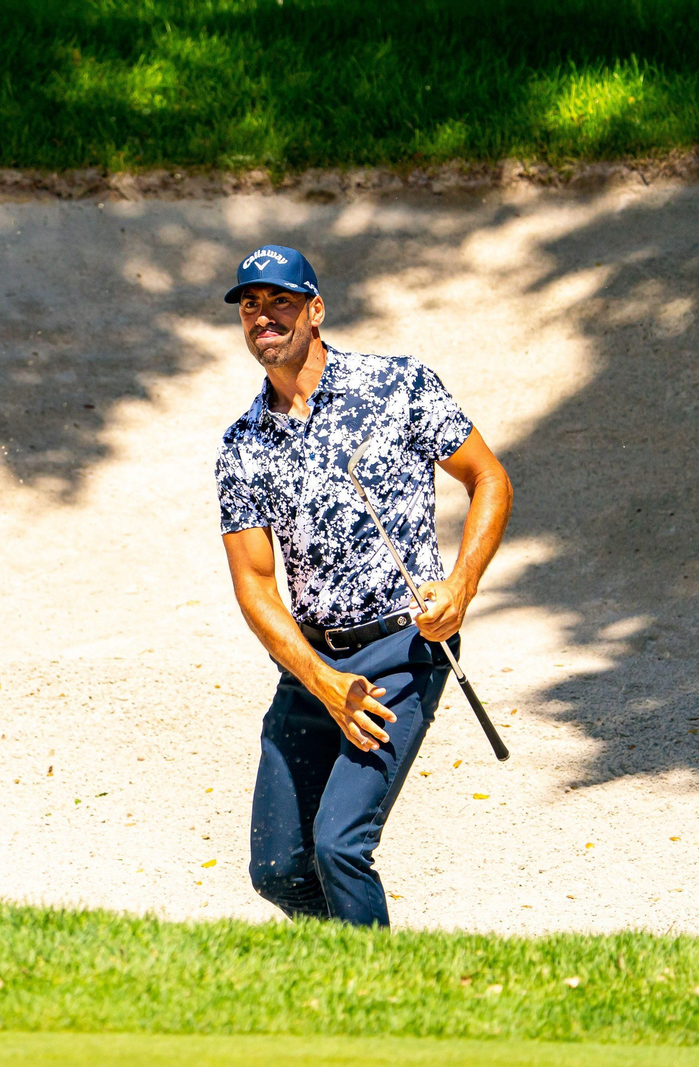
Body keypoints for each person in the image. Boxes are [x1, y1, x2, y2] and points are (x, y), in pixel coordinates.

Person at [215, 244, 513, 927]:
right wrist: (321, 680)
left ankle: (381, 997)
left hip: (403, 651)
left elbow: (488, 477)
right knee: (278, 868)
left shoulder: (398, 386)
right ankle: (344, 981)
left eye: (279, 301)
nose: (263, 316)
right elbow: (256, 587)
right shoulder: (242, 446)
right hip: (313, 662)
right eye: (250, 305)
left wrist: (460, 587)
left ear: (315, 309)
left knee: (339, 845)